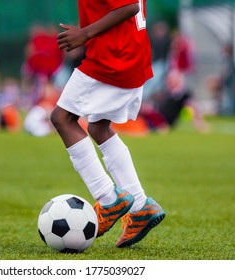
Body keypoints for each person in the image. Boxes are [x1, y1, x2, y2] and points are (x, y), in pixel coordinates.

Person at [50, 0, 165, 248]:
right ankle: (140, 205)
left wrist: (85, 33)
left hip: (115, 58)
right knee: (98, 127)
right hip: (129, 54)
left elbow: (130, 6)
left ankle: (108, 198)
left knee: (62, 118)